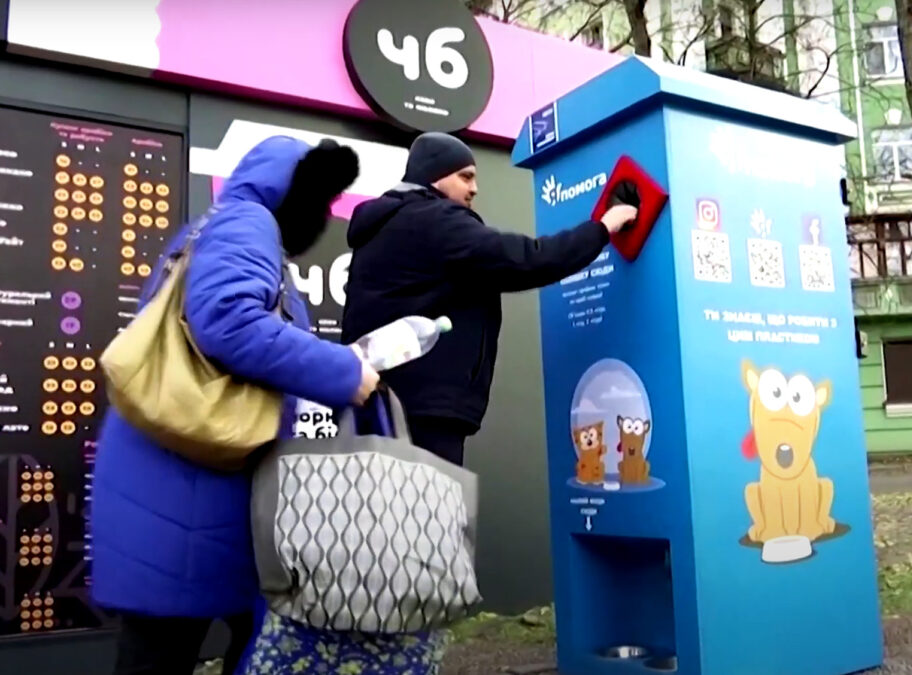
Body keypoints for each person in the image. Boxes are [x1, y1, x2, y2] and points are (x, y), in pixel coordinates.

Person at [89, 136, 379, 675]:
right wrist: (345, 373)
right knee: (162, 653)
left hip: (181, 491)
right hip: (186, 499)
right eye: (317, 199)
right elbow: (229, 322)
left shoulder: (216, 227)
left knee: (176, 648)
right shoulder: (248, 224)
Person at [342, 132, 637, 465]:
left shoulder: (383, 229)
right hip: (425, 412)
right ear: (434, 176)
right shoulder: (435, 221)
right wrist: (602, 228)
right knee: (429, 513)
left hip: (378, 402)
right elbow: (529, 260)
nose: (474, 189)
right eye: (465, 176)